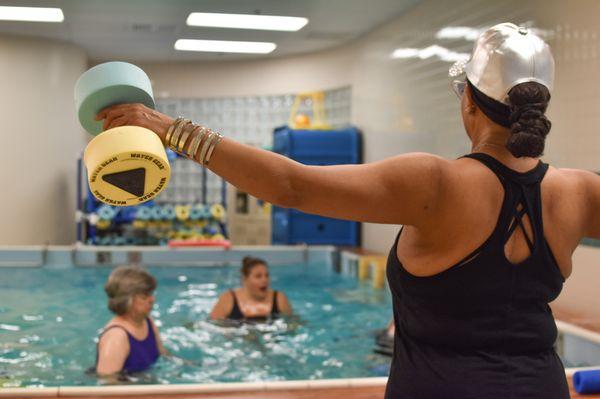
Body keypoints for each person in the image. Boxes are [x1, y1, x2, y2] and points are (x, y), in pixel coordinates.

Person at [95, 23, 600, 398]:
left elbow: (293, 184)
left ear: (467, 99)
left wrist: (169, 129)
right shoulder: (579, 191)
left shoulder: (435, 182)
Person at [95, 266, 168, 376]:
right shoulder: (116, 336)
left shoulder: (146, 320)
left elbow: (163, 354)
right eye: (144, 297)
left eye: (151, 294)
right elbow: (107, 384)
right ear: (127, 300)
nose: (152, 300)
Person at [210, 256, 292, 322]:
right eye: (258, 276)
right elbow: (213, 325)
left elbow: (293, 324)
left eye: (266, 275)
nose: (264, 280)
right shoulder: (228, 299)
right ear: (245, 279)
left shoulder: (279, 299)